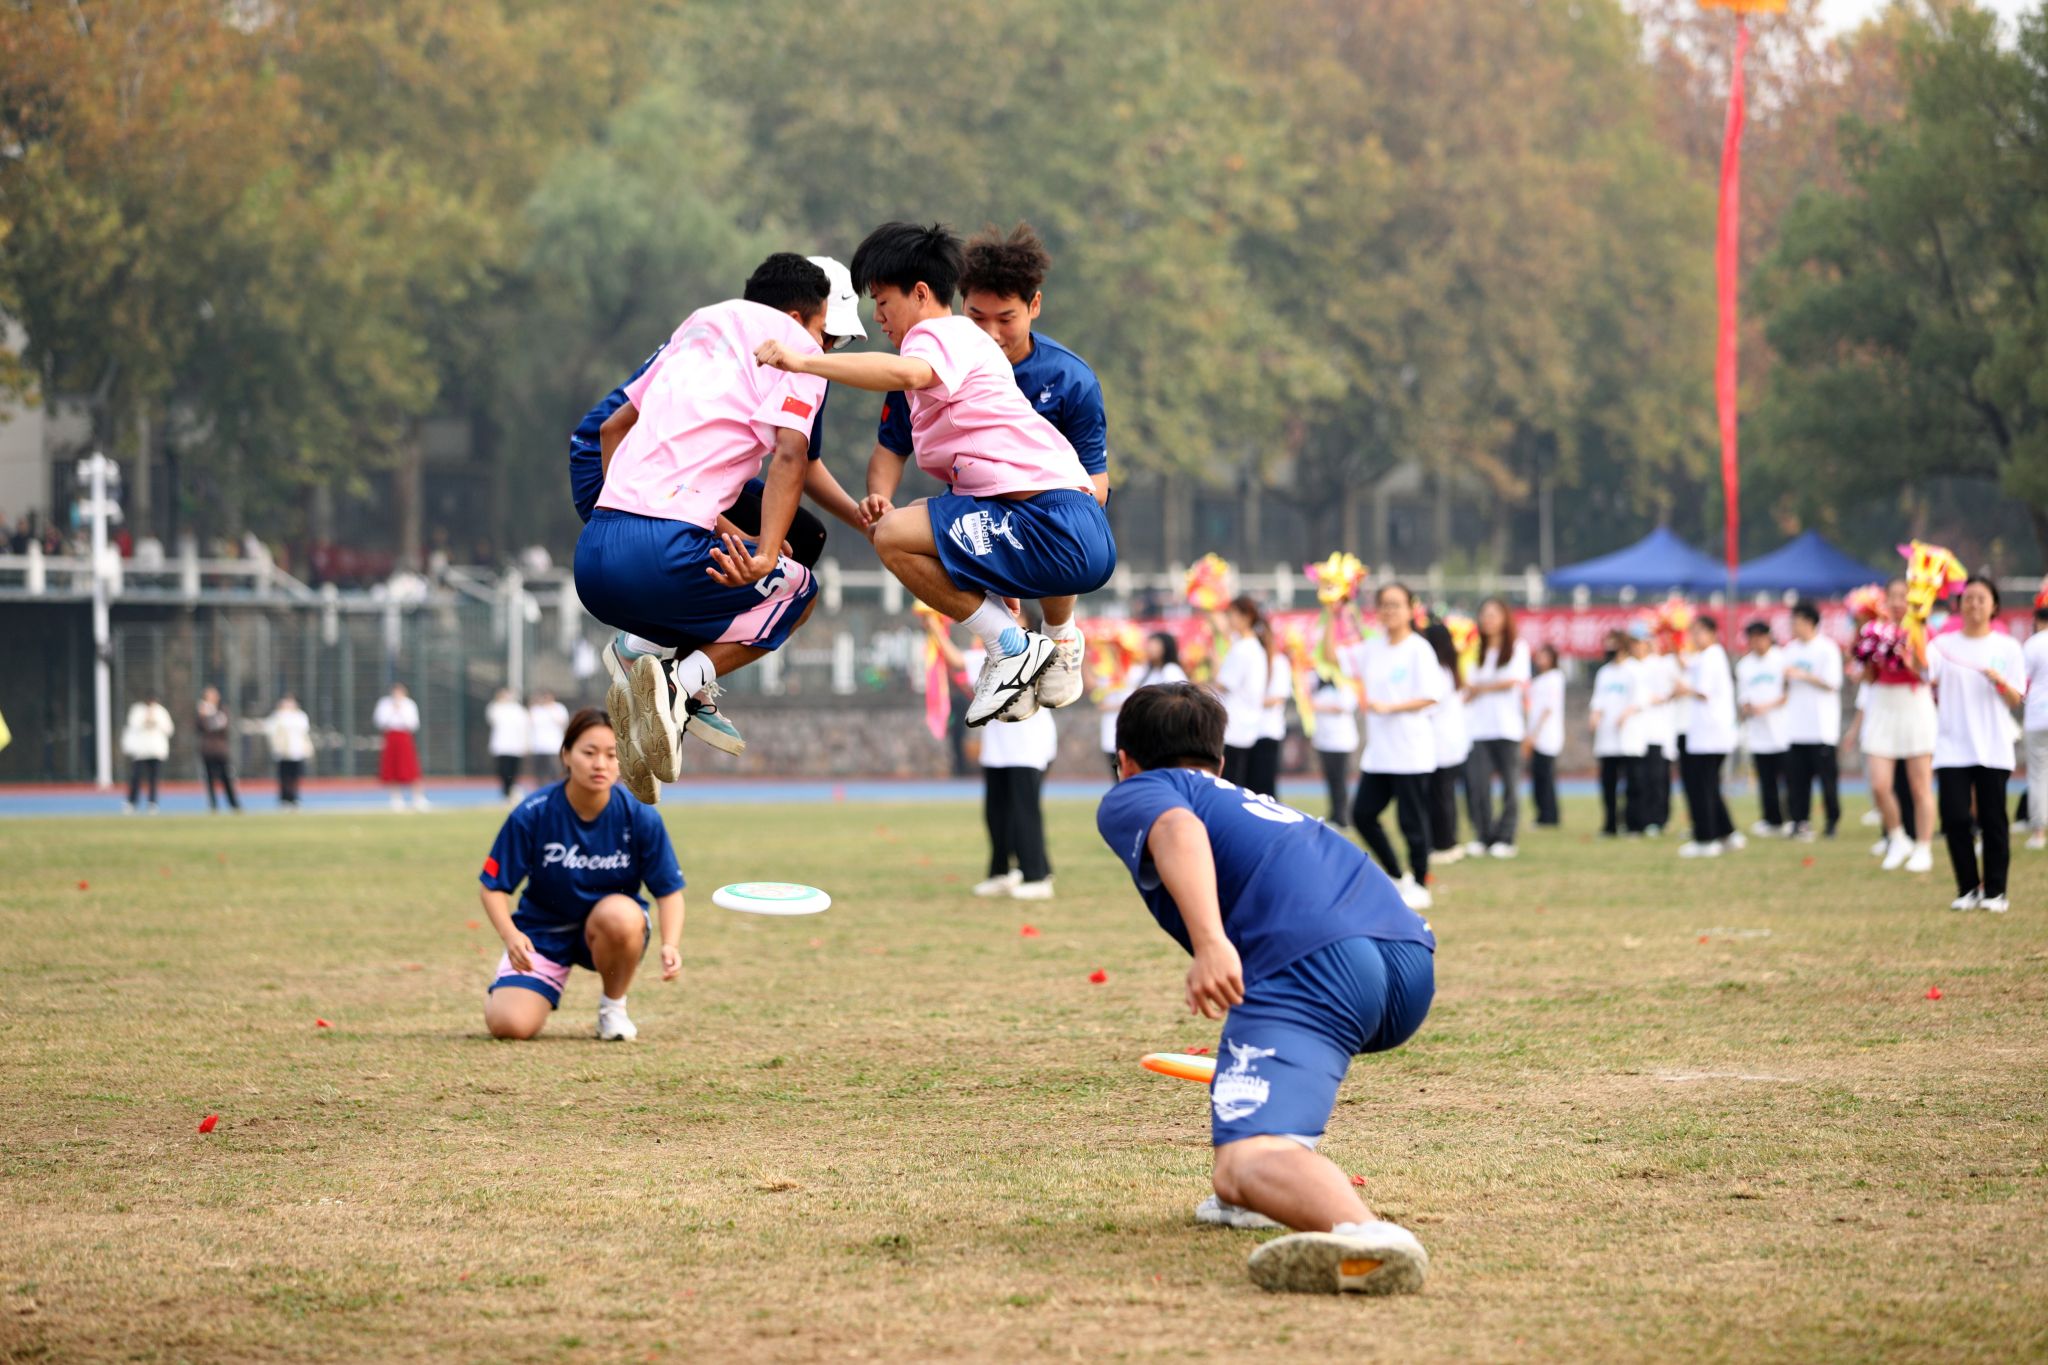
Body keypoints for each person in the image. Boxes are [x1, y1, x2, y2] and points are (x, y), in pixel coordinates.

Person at [1096, 682, 1434, 1296]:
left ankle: (1367, 1236)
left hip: (1319, 960)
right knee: (1241, 1167)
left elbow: (1174, 829)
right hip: (1407, 961)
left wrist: (1210, 942)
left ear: (1125, 760)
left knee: (1245, 1164)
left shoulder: (1143, 790)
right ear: (1220, 763)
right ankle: (1267, 1181)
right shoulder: (1254, 802)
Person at [755, 222, 1117, 725]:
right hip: (1065, 528)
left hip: (1059, 521)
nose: (878, 317)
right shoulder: (959, 352)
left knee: (893, 536)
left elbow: (906, 374)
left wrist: (803, 362)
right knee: (913, 519)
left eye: (882, 302)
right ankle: (1033, 646)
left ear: (921, 293)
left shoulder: (940, 334)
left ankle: (1014, 645)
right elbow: (942, 455)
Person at [567, 257, 872, 804]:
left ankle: (646, 660)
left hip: (594, 556)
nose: (829, 353)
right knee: (798, 588)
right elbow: (790, 457)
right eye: (829, 336)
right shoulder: (795, 354)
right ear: (804, 317)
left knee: (771, 540)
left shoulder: (700, 324)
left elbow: (612, 427)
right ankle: (680, 686)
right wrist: (766, 554)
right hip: (662, 555)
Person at [479, 709, 685, 1040]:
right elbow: (492, 886)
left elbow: (669, 890)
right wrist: (511, 936)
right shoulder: (533, 812)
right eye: (589, 753)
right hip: (543, 933)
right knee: (509, 1026)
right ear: (566, 755)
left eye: (612, 754)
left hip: (610, 929)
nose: (600, 764)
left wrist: (671, 943)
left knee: (620, 914)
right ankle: (522, 984)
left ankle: (612, 1010)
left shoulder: (639, 815)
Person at [1338, 584, 1444, 911]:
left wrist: (1390, 708)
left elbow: (1431, 695)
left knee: (1411, 821)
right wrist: (1332, 612)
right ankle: (1398, 877)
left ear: (1411, 609)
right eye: (1384, 605)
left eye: (1396, 605)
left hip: (1410, 751)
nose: (1389, 611)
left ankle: (1421, 880)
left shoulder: (1418, 649)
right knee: (1362, 814)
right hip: (1380, 753)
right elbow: (1331, 657)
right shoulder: (1373, 648)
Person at [1922, 576, 2024, 911]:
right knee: (1954, 819)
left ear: (1994, 605)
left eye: (1981, 599)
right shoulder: (1943, 646)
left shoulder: (2007, 647)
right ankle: (1967, 889)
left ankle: (1995, 891)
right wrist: (1913, 623)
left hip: (1993, 746)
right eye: (1968, 598)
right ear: (1959, 604)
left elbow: (2014, 699)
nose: (1974, 604)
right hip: (1952, 745)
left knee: (1994, 820)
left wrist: (2000, 683)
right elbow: (1921, 670)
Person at [957, 633, 1061, 900]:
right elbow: (957, 662)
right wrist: (932, 627)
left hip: (1027, 747)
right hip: (996, 747)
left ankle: (1037, 875)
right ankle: (1001, 872)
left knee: (1024, 812)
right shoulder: (990, 657)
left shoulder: (1037, 652)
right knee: (996, 813)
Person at [1856, 578, 1937, 873]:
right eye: (1892, 596)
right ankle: (1897, 837)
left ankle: (1923, 847)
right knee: (1879, 785)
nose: (1897, 601)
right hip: (1883, 704)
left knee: (1919, 786)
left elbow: (1929, 676)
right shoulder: (1874, 631)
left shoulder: (1925, 632)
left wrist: (1910, 658)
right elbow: (1868, 677)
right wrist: (1862, 658)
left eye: (1903, 596)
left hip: (1914, 704)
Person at [1463, 598, 1530, 857]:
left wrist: (1480, 688)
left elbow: (1513, 680)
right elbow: (1467, 686)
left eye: (1494, 614)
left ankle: (1506, 837)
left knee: (1511, 786)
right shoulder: (1474, 650)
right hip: (1479, 729)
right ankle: (1484, 835)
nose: (1488, 619)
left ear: (1505, 618)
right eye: (1484, 614)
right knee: (1478, 785)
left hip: (1507, 728)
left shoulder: (1516, 648)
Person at [1670, 616, 1740, 857]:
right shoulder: (1704, 657)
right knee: (1709, 786)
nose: (1696, 637)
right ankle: (1726, 833)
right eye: (1693, 633)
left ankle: (1706, 838)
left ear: (1712, 634)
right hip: (1705, 735)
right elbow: (1687, 664)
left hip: (1711, 734)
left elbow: (1703, 691)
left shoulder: (1713, 657)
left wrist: (1683, 689)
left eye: (1700, 632)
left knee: (1701, 787)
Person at [1781, 601, 1845, 841]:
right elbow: (1784, 684)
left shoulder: (1826, 649)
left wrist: (1803, 675)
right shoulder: (1789, 650)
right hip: (1796, 728)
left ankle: (1831, 821)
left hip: (1821, 729)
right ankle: (1799, 821)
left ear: (1809, 622)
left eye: (1796, 622)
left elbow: (1832, 683)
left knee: (1827, 781)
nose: (1792, 627)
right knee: (1797, 781)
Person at [1100, 632, 1188, 783]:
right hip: (1147, 735)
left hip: (1163, 736)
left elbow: (1174, 702)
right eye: (1149, 645)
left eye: (1155, 646)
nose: (1149, 649)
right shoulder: (1148, 672)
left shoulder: (1171, 670)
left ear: (1166, 648)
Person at [1419, 620, 1471, 865]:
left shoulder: (1438, 672)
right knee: (1444, 795)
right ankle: (1446, 840)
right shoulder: (1451, 668)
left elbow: (1430, 706)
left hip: (1440, 743)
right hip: (1451, 742)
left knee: (1439, 796)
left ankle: (1444, 843)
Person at [1589, 630, 1647, 838]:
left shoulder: (1635, 669)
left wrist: (1625, 714)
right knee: (1608, 784)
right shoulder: (1604, 672)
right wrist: (1595, 716)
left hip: (1629, 736)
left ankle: (1634, 825)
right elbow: (1598, 700)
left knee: (1633, 784)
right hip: (1607, 737)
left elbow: (1640, 699)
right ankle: (1610, 825)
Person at [1735, 621, 1791, 837]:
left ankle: (1792, 818)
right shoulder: (1744, 665)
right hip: (1758, 734)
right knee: (1766, 781)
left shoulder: (1781, 659)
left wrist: (1766, 706)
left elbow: (1787, 693)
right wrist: (1748, 707)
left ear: (1769, 637)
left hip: (1782, 731)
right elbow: (1743, 697)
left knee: (1788, 780)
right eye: (1753, 638)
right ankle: (1771, 819)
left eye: (1761, 637)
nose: (1757, 642)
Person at [1212, 597, 1272, 789]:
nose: (1228, 620)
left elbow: (1222, 684)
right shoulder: (1252, 646)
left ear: (1245, 617)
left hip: (1234, 728)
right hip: (1246, 726)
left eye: (1231, 615)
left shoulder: (1243, 649)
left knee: (1228, 785)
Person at [1633, 624, 1680, 836]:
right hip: (1638, 732)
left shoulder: (1665, 664)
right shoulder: (1634, 667)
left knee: (1658, 779)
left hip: (1659, 732)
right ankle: (1640, 819)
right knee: (1639, 779)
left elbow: (1676, 686)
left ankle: (1659, 819)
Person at [1308, 667, 1361, 828]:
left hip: (1341, 739)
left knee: (1340, 779)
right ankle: (1334, 813)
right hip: (1323, 737)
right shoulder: (1315, 679)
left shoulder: (1344, 682)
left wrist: (1317, 706)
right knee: (1330, 778)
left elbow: (1344, 706)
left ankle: (1342, 816)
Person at [2020, 601, 2048, 851]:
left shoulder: (2032, 644)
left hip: (2038, 715)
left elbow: (2021, 681)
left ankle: (2039, 832)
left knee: (2039, 775)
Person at [1525, 645, 1564, 827]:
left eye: (1544, 656)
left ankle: (1549, 816)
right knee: (1538, 776)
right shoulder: (1538, 680)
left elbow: (1549, 707)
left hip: (1546, 735)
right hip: (1535, 734)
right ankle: (1542, 814)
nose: (1540, 660)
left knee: (1545, 776)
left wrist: (1535, 733)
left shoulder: (1555, 678)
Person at [1250, 639, 1293, 799]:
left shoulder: (1278, 662)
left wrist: (1247, 701)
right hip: (1247, 732)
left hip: (1267, 731)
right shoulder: (1252, 660)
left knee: (1264, 787)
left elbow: (1278, 697)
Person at [374, 682, 427, 811]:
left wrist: (401, 711)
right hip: (391, 736)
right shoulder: (384, 703)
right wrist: (392, 711)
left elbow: (413, 724)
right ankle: (396, 799)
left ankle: (418, 799)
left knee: (411, 768)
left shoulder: (409, 704)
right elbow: (379, 721)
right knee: (392, 768)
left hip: (404, 737)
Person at [120, 692, 174, 814]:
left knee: (153, 779)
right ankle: (132, 802)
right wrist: (145, 720)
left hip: (156, 751)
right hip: (140, 751)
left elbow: (169, 729)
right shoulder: (137, 711)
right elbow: (132, 726)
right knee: (136, 777)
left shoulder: (161, 712)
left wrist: (155, 721)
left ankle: (152, 803)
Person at [194, 686, 242, 813]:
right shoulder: (201, 711)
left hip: (221, 751)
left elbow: (222, 726)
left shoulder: (222, 710)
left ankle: (234, 805)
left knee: (226, 777)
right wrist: (204, 717)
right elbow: (200, 727)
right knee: (209, 779)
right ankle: (213, 805)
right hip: (207, 750)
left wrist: (209, 718)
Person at [264, 694, 311, 809]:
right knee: (284, 776)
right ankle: (284, 798)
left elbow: (304, 733)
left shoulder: (300, 716)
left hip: (297, 752)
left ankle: (294, 797)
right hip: (283, 753)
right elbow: (269, 730)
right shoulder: (278, 716)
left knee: (294, 776)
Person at [486, 688, 529, 800]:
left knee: (513, 770)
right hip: (501, 746)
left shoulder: (519, 710)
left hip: (516, 746)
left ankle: (512, 790)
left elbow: (524, 728)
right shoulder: (496, 707)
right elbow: (491, 718)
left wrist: (526, 743)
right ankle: (506, 791)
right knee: (502, 770)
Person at [526, 690, 570, 786]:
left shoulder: (559, 708)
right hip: (538, 746)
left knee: (554, 771)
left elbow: (563, 723)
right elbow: (528, 724)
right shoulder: (536, 710)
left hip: (553, 746)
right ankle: (541, 790)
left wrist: (550, 710)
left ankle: (556, 788)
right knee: (540, 772)